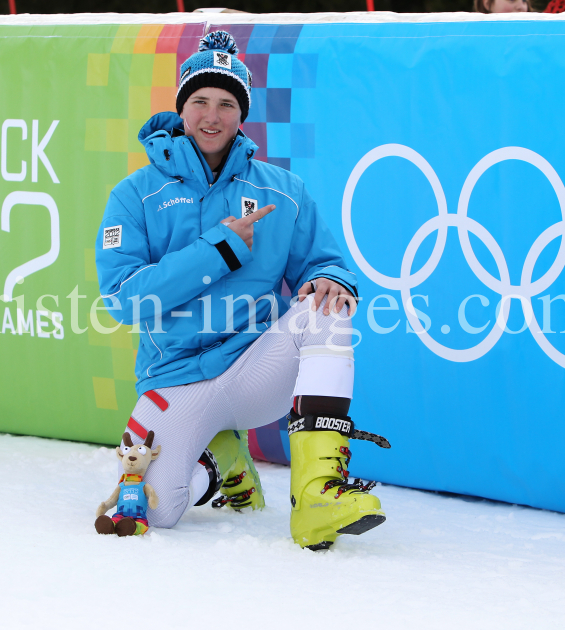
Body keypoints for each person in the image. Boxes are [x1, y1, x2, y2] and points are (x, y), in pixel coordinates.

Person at [94, 30, 389, 550]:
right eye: (201, 101)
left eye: (227, 103)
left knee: (326, 309)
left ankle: (319, 494)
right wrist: (220, 248)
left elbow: (325, 263)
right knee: (151, 512)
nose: (213, 116)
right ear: (182, 108)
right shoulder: (134, 195)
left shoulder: (282, 190)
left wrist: (329, 278)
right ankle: (222, 463)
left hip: (257, 367)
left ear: (241, 113)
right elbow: (125, 300)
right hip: (177, 377)